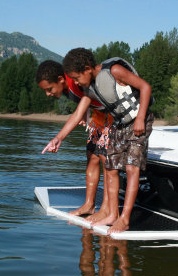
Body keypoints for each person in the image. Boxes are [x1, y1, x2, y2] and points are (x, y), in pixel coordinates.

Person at [44, 48, 153, 234]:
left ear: (87, 69)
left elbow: (145, 87)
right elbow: (78, 113)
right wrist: (58, 138)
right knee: (110, 168)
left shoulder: (114, 71)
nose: (76, 83)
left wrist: (141, 117)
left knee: (131, 168)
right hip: (121, 125)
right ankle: (112, 215)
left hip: (138, 122)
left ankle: (124, 218)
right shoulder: (90, 89)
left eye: (77, 78)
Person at [36, 60, 112, 220]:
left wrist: (59, 138)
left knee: (106, 161)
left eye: (49, 89)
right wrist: (86, 114)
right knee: (92, 156)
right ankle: (89, 205)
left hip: (112, 115)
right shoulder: (65, 87)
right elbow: (84, 101)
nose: (48, 94)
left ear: (61, 79)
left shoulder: (74, 80)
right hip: (98, 115)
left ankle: (106, 209)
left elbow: (80, 106)